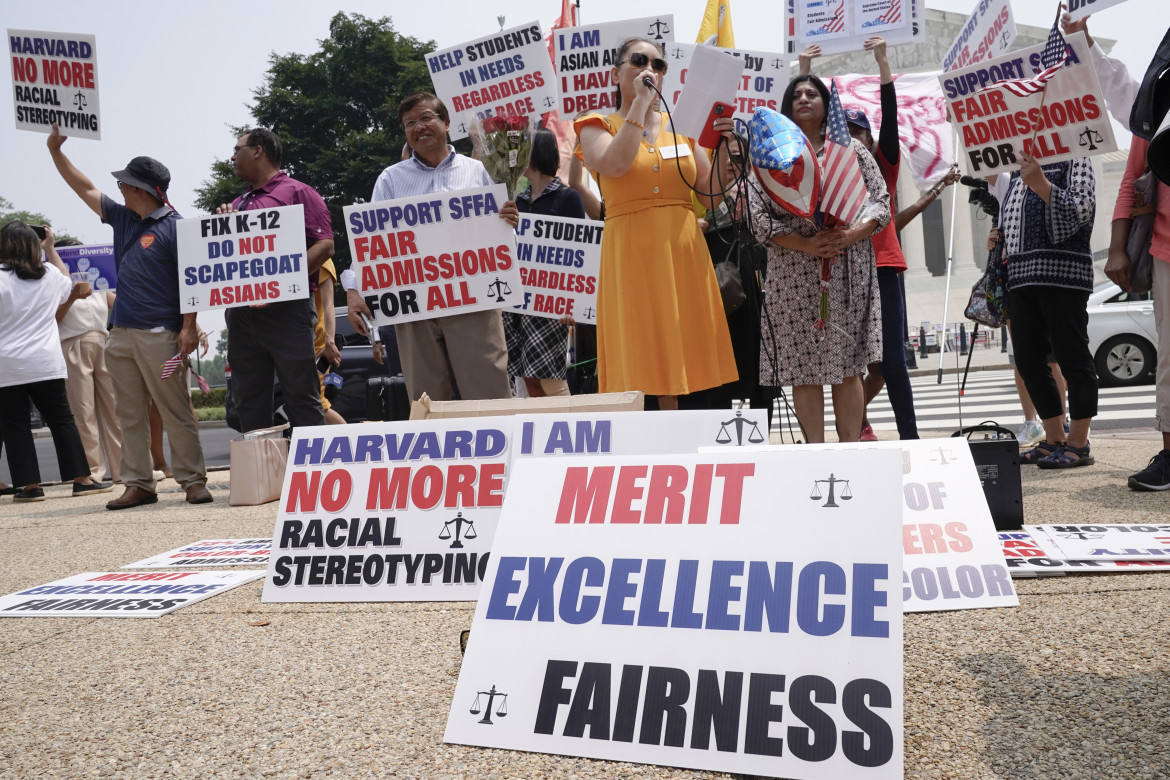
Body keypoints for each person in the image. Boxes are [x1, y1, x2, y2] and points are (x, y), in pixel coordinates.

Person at [47, 124, 212, 508]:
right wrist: (56, 151)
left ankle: (192, 480)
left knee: (174, 410)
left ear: (142, 189)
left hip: (161, 333)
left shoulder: (176, 227)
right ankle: (139, 483)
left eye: (125, 183)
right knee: (129, 412)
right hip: (119, 332)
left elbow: (193, 281)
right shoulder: (123, 219)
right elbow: (84, 187)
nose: (119, 188)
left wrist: (189, 327)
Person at [575, 37, 738, 409]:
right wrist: (640, 106)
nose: (650, 70)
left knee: (684, 353)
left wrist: (725, 145)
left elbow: (711, 192)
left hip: (682, 255)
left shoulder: (683, 125)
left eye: (659, 65)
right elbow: (614, 164)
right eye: (639, 60)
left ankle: (686, 436)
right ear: (616, 73)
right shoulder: (596, 124)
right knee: (640, 350)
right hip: (631, 253)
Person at [344, 92, 519, 403]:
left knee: (488, 393)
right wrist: (354, 288)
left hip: (472, 301)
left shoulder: (478, 171)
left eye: (426, 118)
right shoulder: (390, 179)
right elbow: (372, 241)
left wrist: (508, 220)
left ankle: (498, 453)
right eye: (410, 123)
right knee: (427, 400)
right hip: (415, 306)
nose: (418, 127)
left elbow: (499, 235)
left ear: (447, 123)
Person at [748, 74, 890, 443]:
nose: (804, 98)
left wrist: (849, 235)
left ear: (827, 104)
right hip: (793, 271)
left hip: (847, 268)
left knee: (848, 367)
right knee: (803, 369)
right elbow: (758, 219)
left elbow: (881, 202)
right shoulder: (766, 157)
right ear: (786, 106)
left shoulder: (851, 150)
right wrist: (807, 245)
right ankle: (815, 453)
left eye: (812, 93)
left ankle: (851, 450)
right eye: (796, 94)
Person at [218, 127, 332, 431]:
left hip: (287, 309)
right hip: (243, 315)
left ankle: (313, 474)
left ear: (258, 150)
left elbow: (325, 246)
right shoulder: (238, 204)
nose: (232, 156)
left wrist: (279, 284)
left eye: (237, 149)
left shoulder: (298, 192)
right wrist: (223, 229)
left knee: (302, 395)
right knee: (249, 400)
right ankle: (263, 475)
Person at [0, 221, 110, 501]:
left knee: (16, 425)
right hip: (46, 361)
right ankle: (82, 479)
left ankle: (30, 487)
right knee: (62, 421)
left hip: (7, 364)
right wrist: (50, 247)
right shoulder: (48, 274)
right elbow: (69, 283)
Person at [1002, 153, 1098, 468]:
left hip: (1064, 275)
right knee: (1029, 361)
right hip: (1022, 277)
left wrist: (1042, 184)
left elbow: (1082, 208)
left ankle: (1079, 442)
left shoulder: (1076, 159)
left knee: (1072, 357)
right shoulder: (1022, 165)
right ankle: (1054, 436)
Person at [505, 128, 586, 398]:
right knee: (528, 376)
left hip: (552, 302)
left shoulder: (567, 198)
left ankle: (570, 428)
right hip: (520, 301)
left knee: (551, 378)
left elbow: (580, 254)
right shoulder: (519, 201)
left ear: (536, 154)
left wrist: (572, 302)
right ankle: (544, 429)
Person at [55, 240, 122, 484]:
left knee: (114, 408)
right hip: (72, 343)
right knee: (83, 411)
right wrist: (71, 297)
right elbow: (53, 317)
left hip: (102, 341)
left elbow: (122, 305)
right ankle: (93, 470)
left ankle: (122, 466)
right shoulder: (58, 287)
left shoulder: (100, 283)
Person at [315, 258, 345, 424]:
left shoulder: (323, 261)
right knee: (314, 403)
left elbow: (329, 304)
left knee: (319, 404)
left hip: (318, 346)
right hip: (299, 344)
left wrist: (329, 341)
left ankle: (350, 442)